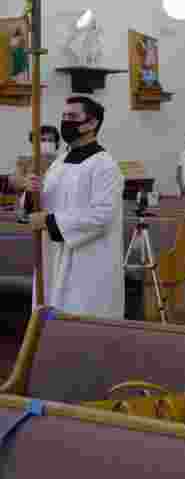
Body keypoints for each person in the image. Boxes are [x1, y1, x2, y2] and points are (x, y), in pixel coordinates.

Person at [19, 97, 125, 317]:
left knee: (82, 324)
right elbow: (42, 203)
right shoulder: (60, 162)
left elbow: (101, 216)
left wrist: (48, 221)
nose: (66, 122)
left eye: (73, 117)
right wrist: (31, 192)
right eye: (64, 116)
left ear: (92, 123)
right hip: (53, 257)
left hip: (88, 261)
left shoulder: (105, 165)